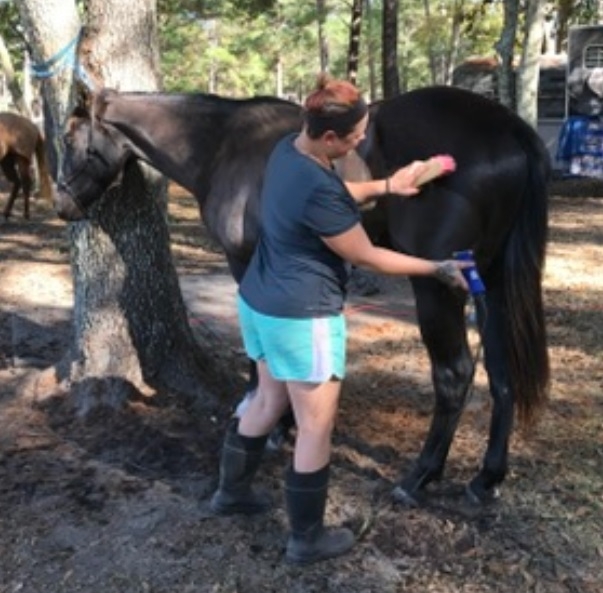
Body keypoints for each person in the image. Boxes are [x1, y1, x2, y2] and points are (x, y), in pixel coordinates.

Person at [210, 74, 470, 565]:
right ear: (331, 138)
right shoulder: (317, 182)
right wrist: (438, 268)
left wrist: (388, 185)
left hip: (258, 303)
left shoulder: (290, 150)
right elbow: (368, 255)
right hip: (301, 319)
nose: (362, 141)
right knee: (314, 427)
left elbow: (334, 192)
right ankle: (306, 539)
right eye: (357, 135)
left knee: (267, 399)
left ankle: (231, 493)